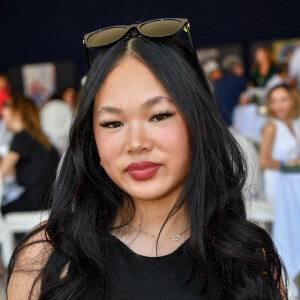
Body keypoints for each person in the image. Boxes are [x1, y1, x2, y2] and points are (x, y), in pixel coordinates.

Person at [6, 19, 287, 299]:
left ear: (198, 124)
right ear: (91, 138)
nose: (136, 143)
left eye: (159, 116)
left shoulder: (248, 259)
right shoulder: (45, 258)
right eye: (112, 123)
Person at [0, 94, 59, 215]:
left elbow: (2, 172)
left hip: (36, 201)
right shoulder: (35, 136)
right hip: (48, 199)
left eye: (6, 106)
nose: (2, 112)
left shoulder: (21, 136)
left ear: (17, 111)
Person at [259, 84, 300, 200]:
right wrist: (289, 163)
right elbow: (263, 162)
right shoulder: (271, 126)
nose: (278, 106)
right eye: (273, 101)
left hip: (294, 181)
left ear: (293, 100)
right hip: (279, 184)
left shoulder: (294, 126)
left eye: (283, 100)